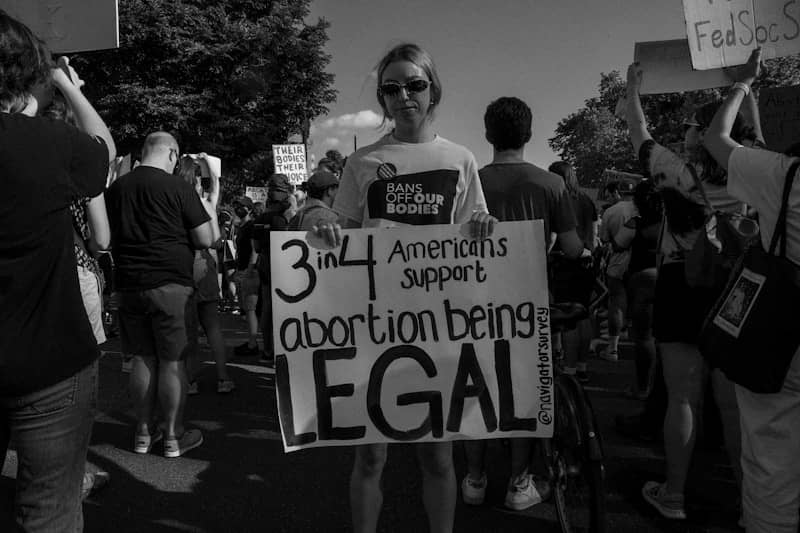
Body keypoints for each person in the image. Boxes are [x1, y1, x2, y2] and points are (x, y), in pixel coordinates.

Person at [326, 43, 496, 533]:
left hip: (440, 328)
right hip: (375, 323)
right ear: (382, 98)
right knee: (371, 459)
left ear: (433, 90)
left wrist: (484, 225)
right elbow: (340, 232)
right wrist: (326, 232)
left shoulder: (460, 159)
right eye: (392, 88)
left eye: (415, 85)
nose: (404, 96)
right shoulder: (362, 163)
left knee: (438, 460)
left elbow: (474, 229)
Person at [626, 60, 758, 521]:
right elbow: (752, 133)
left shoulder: (668, 168)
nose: (681, 132)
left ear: (697, 134)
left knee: (682, 396)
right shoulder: (747, 169)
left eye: (686, 126)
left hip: (680, 282)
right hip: (732, 286)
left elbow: (637, 127)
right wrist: (744, 85)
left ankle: (675, 495)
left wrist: (633, 88)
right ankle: (749, 505)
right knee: (731, 402)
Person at [0, 10, 116, 530]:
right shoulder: (45, 143)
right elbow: (103, 155)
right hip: (50, 364)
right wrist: (68, 87)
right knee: (49, 509)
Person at [462, 97, 583, 511]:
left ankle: (474, 480)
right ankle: (518, 483)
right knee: (526, 394)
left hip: (475, 302)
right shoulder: (551, 185)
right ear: (529, 134)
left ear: (487, 135)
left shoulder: (471, 181)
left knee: (476, 388)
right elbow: (571, 248)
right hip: (531, 302)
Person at [705, 47, 800, 533]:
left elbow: (716, 138)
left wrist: (743, 83)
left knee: (771, 461)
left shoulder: (783, 177)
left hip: (783, 336)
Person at [106, 132, 216, 458]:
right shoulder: (178, 187)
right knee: (172, 361)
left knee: (141, 358)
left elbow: (103, 236)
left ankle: (142, 431)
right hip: (171, 285)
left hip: (128, 284)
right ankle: (173, 435)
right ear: (172, 154)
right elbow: (204, 238)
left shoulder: (117, 189)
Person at [176, 155, 235, 394]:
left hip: (185, 268)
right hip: (208, 270)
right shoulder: (207, 204)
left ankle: (191, 380)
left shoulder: (177, 204)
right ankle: (223, 378)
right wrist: (208, 164)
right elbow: (216, 186)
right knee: (213, 327)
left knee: (188, 330)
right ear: (199, 182)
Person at [548, 161, 599, 383]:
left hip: (564, 261)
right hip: (587, 261)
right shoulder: (587, 200)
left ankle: (568, 370)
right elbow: (595, 235)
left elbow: (553, 235)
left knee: (566, 316)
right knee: (583, 314)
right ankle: (582, 366)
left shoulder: (559, 199)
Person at [252, 173, 293, 364]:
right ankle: (284, 351)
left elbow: (257, 247)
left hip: (266, 266)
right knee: (286, 309)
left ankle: (268, 349)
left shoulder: (261, 218)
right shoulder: (287, 218)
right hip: (284, 268)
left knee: (267, 308)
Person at [598, 187, 636, 362]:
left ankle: (613, 349)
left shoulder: (611, 211)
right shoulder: (646, 207)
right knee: (640, 300)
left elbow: (604, 239)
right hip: (643, 261)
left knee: (617, 302)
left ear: (617, 193)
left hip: (618, 260)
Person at [232, 196, 261, 356]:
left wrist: (250, 270)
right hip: (243, 270)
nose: (237, 209)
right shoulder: (242, 226)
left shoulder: (251, 226)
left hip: (249, 272)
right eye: (236, 206)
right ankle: (251, 341)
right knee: (247, 310)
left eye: (241, 206)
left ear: (249, 209)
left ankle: (253, 344)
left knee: (250, 309)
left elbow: (254, 250)